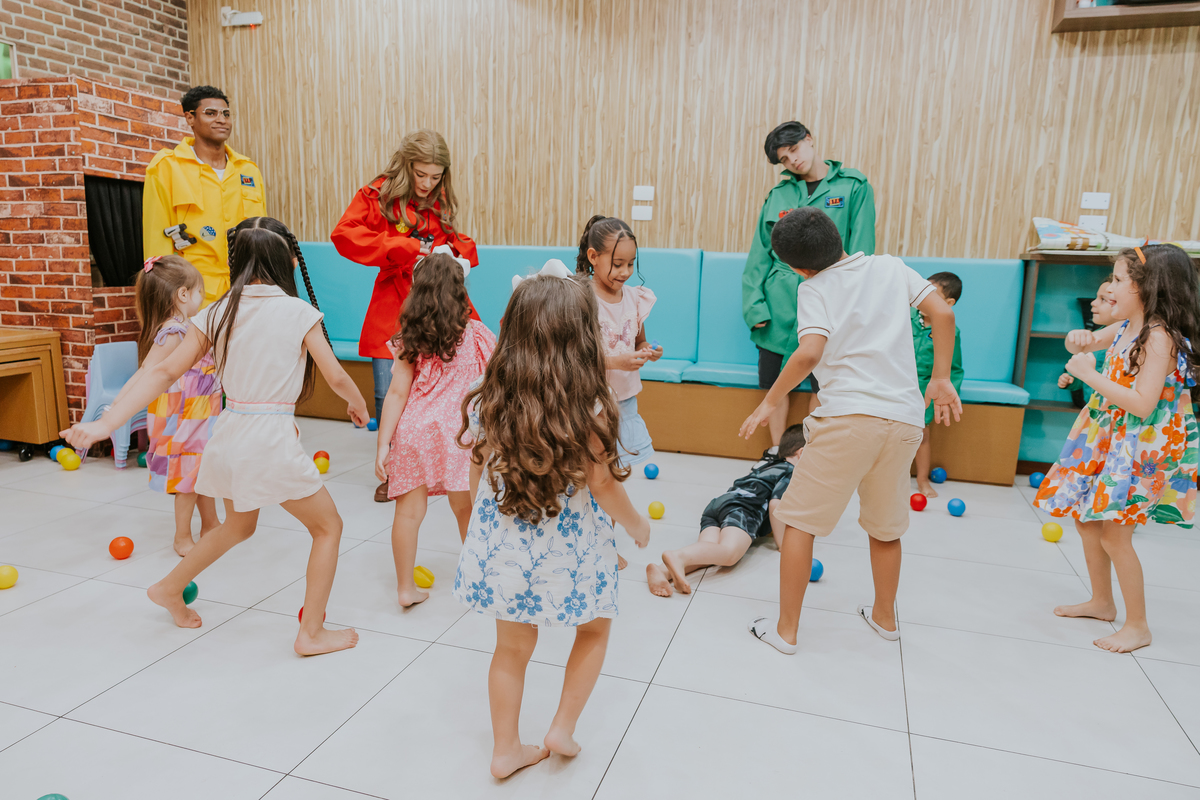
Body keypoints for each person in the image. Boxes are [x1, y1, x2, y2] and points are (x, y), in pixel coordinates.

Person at [62, 217, 370, 657]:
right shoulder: (298, 311)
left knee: (240, 525)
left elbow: (163, 369)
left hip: (228, 435)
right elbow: (336, 374)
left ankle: (170, 587)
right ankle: (312, 632)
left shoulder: (217, 312)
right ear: (284, 262)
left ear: (237, 261)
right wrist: (357, 402)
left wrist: (105, 424)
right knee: (328, 527)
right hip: (269, 442)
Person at [452, 265, 651, 778]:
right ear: (582, 336)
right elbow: (603, 485)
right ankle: (562, 726)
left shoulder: (488, 392)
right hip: (571, 550)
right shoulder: (590, 405)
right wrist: (636, 527)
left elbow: (475, 467)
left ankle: (505, 751)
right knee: (594, 630)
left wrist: (475, 518)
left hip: (505, 544)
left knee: (511, 650)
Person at [739, 207, 961, 655]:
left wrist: (769, 401)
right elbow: (942, 314)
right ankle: (884, 618)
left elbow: (808, 354)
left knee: (798, 522)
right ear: (837, 236)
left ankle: (785, 631)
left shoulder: (813, 288)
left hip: (848, 421)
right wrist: (940, 377)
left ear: (796, 266)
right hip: (902, 420)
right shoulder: (890, 266)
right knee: (886, 527)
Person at [1034, 244, 1199, 654]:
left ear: (1148, 288)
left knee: (1116, 536)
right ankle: (1102, 601)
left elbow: (1142, 404)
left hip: (1141, 448)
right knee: (1087, 523)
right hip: (1112, 438)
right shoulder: (1126, 326)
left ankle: (1138, 625)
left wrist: (1089, 376)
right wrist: (1080, 339)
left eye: (1118, 279)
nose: (1109, 287)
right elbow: (1089, 343)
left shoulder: (1158, 337)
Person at [331, 129, 480, 504]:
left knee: (448, 385)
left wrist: (454, 250)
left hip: (437, 299)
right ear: (405, 165)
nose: (429, 184)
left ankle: (447, 462)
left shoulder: (439, 197)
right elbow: (345, 235)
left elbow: (452, 237)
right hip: (394, 300)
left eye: (436, 176)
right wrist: (403, 246)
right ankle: (393, 470)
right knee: (389, 388)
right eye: (421, 175)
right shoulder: (377, 194)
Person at [742, 121, 876, 455]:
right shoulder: (779, 195)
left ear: (810, 140)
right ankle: (777, 455)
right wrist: (755, 307)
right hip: (778, 305)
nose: (793, 161)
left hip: (831, 300)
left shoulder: (854, 186)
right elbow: (758, 254)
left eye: (795, 151)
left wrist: (851, 307)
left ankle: (813, 453)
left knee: (824, 382)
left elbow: (862, 251)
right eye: (784, 159)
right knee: (776, 384)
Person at [375, 252, 496, 608]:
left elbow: (397, 392)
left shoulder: (409, 338)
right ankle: (479, 583)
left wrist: (384, 443)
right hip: (460, 433)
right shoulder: (476, 335)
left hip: (414, 431)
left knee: (408, 513)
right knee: (466, 509)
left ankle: (404, 589)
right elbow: (493, 383)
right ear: (460, 294)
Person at [115, 255, 222, 556]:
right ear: (183, 294)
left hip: (200, 414)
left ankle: (211, 524)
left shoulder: (187, 327)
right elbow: (148, 371)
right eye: (200, 291)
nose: (202, 298)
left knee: (202, 470)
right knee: (188, 479)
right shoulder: (173, 333)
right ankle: (182, 537)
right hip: (183, 420)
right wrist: (118, 406)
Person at [647, 424, 806, 597]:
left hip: (718, 504)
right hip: (743, 510)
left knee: (710, 553)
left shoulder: (767, 465)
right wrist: (782, 543)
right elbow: (776, 503)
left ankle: (661, 572)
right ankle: (678, 556)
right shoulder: (791, 471)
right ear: (802, 453)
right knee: (730, 554)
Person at [143, 85, 266, 307]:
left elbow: (262, 231)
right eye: (211, 113)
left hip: (247, 288)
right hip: (192, 293)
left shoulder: (248, 170)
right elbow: (156, 241)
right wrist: (165, 302)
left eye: (226, 114)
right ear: (190, 118)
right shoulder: (166, 168)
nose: (222, 120)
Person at [577, 215, 662, 468]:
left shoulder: (634, 298)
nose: (625, 272)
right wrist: (617, 362)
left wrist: (648, 351)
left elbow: (640, 342)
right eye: (617, 264)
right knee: (591, 464)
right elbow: (576, 358)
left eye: (631, 264)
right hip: (589, 400)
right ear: (593, 257)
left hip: (623, 400)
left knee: (616, 467)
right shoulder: (581, 299)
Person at [913, 271, 965, 497]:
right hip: (898, 384)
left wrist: (946, 395)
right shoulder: (907, 320)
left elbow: (954, 367)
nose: (924, 298)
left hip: (925, 389)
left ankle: (922, 480)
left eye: (931, 294)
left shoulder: (949, 330)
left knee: (921, 435)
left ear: (949, 303)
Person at [1058, 276, 1116, 408]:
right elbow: (1082, 370)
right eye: (1096, 297)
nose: (1093, 303)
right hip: (1093, 407)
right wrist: (1071, 380)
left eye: (1103, 299)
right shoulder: (1095, 336)